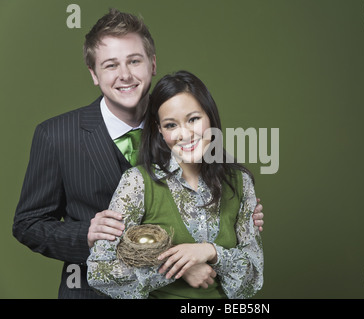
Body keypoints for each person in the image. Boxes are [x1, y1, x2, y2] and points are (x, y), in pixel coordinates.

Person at [12, 9, 264, 299]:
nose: (125, 75)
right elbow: (28, 225)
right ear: (94, 74)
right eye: (110, 65)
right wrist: (87, 234)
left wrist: (241, 211)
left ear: (152, 64)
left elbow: (216, 198)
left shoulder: (181, 131)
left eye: (134, 61)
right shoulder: (56, 136)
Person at [87, 70, 263, 299]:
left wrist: (210, 252)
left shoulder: (239, 182)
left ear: (210, 117)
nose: (185, 134)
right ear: (159, 130)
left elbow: (252, 280)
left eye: (193, 119)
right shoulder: (137, 183)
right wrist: (178, 270)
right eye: (171, 125)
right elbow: (99, 272)